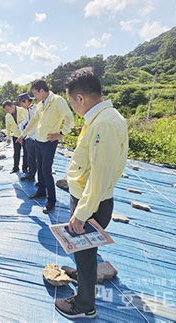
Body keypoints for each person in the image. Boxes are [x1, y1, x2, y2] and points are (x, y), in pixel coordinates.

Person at [54, 67, 128, 320]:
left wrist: (82, 213)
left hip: (91, 202)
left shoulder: (105, 124)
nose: (73, 108)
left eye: (71, 102)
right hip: (87, 198)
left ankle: (84, 305)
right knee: (84, 249)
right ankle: (82, 275)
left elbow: (100, 175)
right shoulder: (101, 118)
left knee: (85, 252)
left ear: (80, 98)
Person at [17, 80, 74, 214]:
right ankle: (41, 191)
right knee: (40, 168)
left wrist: (61, 133)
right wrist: (23, 135)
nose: (34, 96)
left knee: (46, 170)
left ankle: (51, 201)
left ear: (42, 91)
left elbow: (69, 117)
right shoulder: (40, 104)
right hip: (38, 140)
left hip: (49, 142)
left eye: (35, 93)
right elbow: (34, 121)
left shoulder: (57, 101)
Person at [3, 100, 28, 174]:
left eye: (8, 109)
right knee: (16, 152)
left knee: (26, 152)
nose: (7, 111)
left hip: (25, 135)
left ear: (12, 106)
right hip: (16, 136)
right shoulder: (7, 116)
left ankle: (25, 168)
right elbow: (8, 128)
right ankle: (15, 167)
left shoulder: (23, 110)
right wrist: (8, 137)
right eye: (6, 110)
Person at [17, 93, 37, 182]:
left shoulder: (36, 109)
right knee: (30, 158)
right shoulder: (27, 110)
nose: (20, 105)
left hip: (37, 137)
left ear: (25, 101)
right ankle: (31, 174)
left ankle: (41, 181)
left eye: (21, 103)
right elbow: (26, 122)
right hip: (29, 137)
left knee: (38, 160)